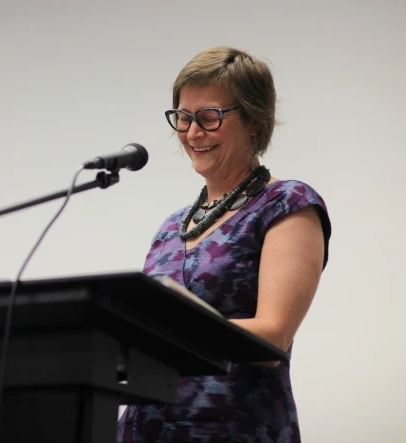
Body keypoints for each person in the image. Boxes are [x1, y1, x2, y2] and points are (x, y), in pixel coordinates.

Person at [117, 47, 332, 442]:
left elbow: (273, 335)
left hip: (234, 427)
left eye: (209, 117)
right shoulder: (170, 228)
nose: (193, 132)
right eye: (183, 117)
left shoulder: (287, 204)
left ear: (253, 121)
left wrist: (164, 335)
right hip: (143, 430)